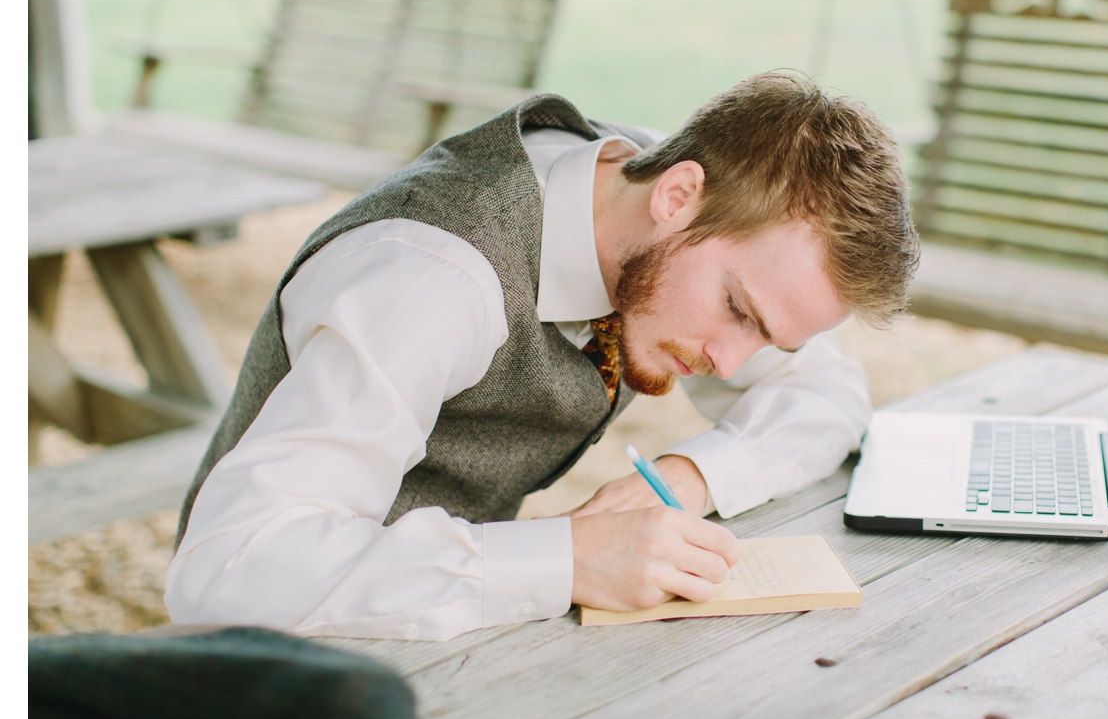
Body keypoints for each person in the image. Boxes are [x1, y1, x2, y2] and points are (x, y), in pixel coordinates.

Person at [166, 71, 918, 641]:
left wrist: (695, 477)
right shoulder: (432, 277)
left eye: (770, 338)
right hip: (275, 673)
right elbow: (229, 569)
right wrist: (568, 559)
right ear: (677, 196)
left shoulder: (656, 201)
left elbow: (829, 395)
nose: (732, 362)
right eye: (737, 311)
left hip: (450, 636)